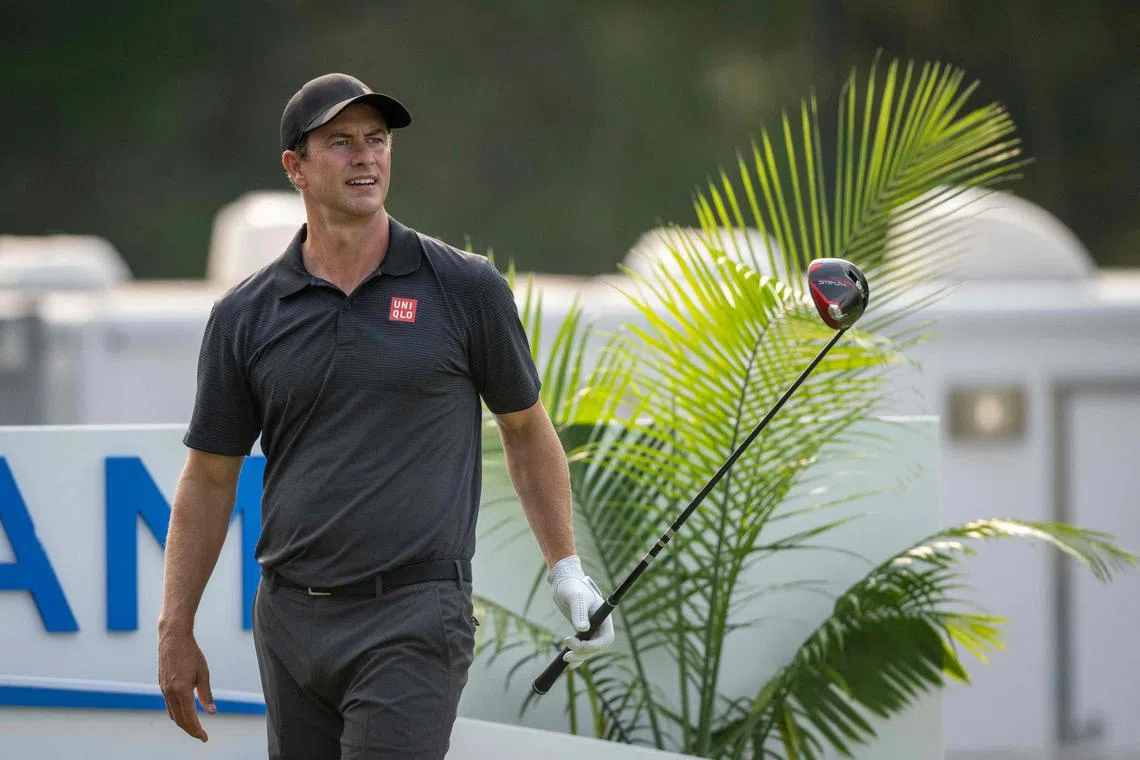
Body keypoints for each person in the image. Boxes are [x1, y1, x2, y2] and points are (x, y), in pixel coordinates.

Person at [157, 72, 616, 759]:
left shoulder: (463, 287)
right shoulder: (246, 315)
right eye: (340, 143)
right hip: (289, 619)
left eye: (377, 140)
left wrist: (566, 570)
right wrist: (176, 626)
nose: (366, 156)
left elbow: (525, 430)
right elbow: (209, 478)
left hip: (413, 615)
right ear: (296, 168)